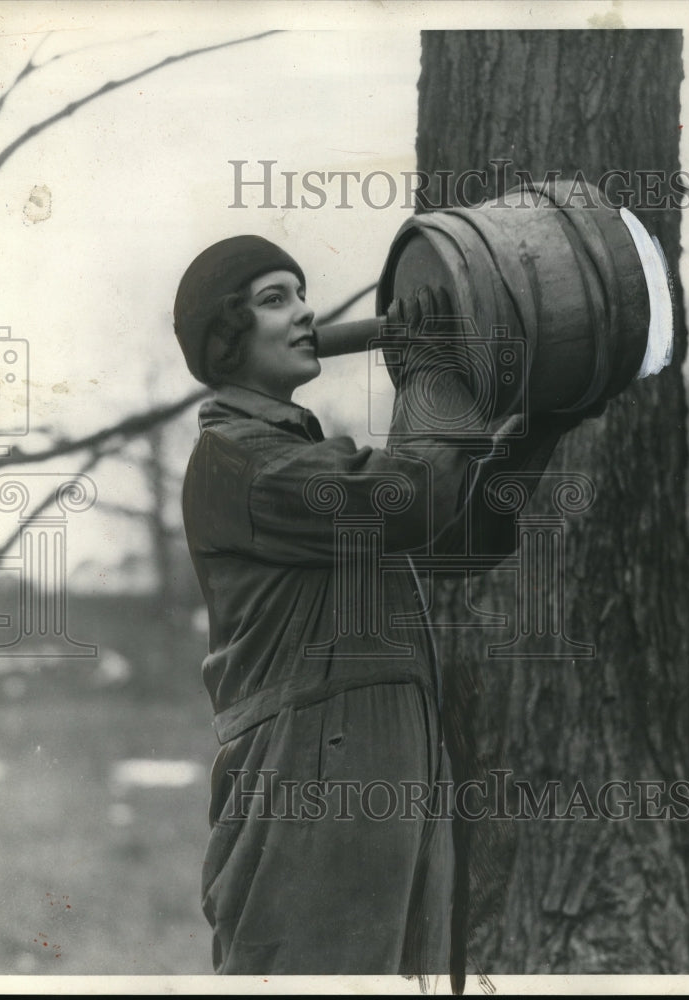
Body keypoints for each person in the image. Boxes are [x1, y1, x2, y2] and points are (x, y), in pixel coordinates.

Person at [173, 235, 577, 979]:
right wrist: (428, 374)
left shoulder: (308, 456)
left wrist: (541, 417)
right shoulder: (243, 461)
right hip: (308, 772)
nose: (304, 312)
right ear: (224, 339)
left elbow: (460, 539)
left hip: (373, 763)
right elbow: (411, 500)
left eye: (300, 294)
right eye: (273, 300)